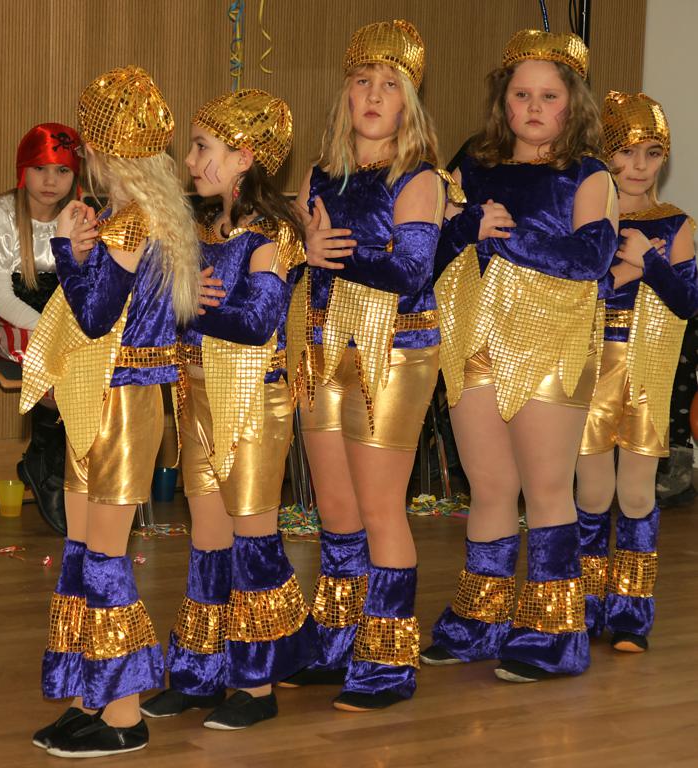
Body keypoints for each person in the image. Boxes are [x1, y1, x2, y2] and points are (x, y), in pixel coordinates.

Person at [422, 29, 618, 683]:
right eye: (522, 95)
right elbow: (431, 250)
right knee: (490, 487)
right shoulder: (471, 165)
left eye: (549, 97)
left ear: (573, 104)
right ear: (502, 101)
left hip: (550, 343)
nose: (534, 107)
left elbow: (591, 257)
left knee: (547, 489)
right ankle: (480, 619)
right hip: (474, 340)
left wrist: (506, 238)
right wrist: (464, 226)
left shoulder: (587, 175)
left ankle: (554, 633)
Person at [21, 65, 200, 757]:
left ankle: (124, 715)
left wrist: (66, 250)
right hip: (103, 399)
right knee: (82, 554)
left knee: (103, 559)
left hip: (121, 405)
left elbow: (95, 316)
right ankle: (86, 695)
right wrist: (82, 249)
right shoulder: (141, 219)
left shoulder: (130, 224)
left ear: (100, 151)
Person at [140, 88, 316, 730]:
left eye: (202, 147)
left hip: (253, 402)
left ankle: (257, 683)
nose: (190, 161)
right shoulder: (201, 229)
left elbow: (259, 321)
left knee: (252, 538)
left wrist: (192, 306)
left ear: (244, 157)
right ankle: (198, 673)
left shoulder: (272, 235)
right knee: (208, 540)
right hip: (198, 399)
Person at [286, 19, 444, 711]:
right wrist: (300, 251)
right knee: (337, 510)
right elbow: (294, 262)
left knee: (381, 509)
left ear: (409, 101)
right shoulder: (319, 175)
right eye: (362, 82)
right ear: (345, 94)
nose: (375, 95)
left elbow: (411, 271)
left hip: (396, 351)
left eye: (390, 85)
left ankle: (387, 659)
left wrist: (329, 252)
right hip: (324, 348)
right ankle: (336, 638)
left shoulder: (420, 177)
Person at [575, 91, 698, 652]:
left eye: (652, 153)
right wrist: (619, 273)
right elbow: (567, 291)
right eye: (625, 153)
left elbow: (688, 301)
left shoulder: (676, 223)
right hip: (588, 368)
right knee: (592, 492)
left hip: (646, 370)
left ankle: (631, 613)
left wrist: (647, 260)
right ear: (604, 154)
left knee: (637, 495)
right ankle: (584, 604)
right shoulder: (585, 217)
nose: (639, 166)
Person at [0, 123, 80, 533]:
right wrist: (54, 335)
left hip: (58, 323)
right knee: (47, 356)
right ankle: (48, 464)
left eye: (62, 171)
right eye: (40, 169)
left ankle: (62, 463)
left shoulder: (79, 216)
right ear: (23, 170)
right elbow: (1, 301)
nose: (50, 181)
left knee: (90, 359)